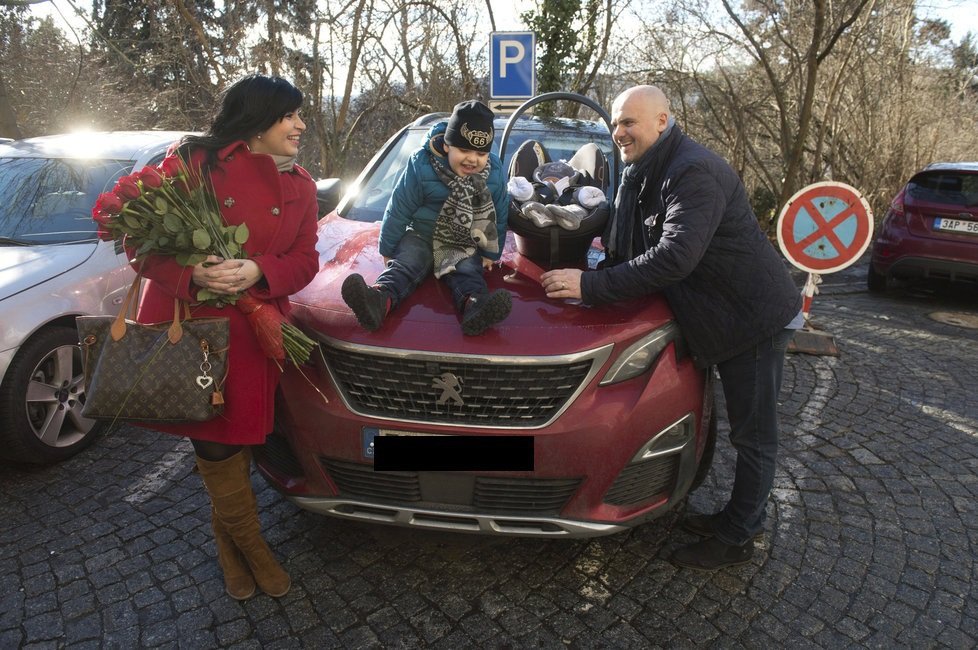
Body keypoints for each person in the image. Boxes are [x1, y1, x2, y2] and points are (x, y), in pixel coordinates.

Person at [540, 85, 803, 571]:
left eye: (630, 123)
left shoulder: (691, 171)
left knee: (754, 435)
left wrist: (591, 286)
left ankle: (738, 537)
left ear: (663, 121)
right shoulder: (643, 169)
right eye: (616, 123)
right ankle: (734, 518)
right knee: (739, 429)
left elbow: (675, 257)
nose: (619, 132)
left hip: (752, 318)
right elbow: (623, 237)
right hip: (720, 314)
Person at [133, 74, 319, 598]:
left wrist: (259, 269)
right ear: (258, 120)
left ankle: (228, 539)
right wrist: (191, 273)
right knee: (214, 442)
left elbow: (306, 261)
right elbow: (137, 241)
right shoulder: (192, 163)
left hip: (255, 332)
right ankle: (249, 547)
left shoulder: (302, 186)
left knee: (239, 440)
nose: (300, 125)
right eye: (290, 115)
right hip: (196, 329)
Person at [341, 99, 511, 336]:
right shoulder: (422, 164)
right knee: (406, 263)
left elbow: (499, 212)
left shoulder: (493, 172)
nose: (473, 159)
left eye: (481, 153)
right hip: (420, 234)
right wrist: (388, 247)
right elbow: (399, 207)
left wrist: (490, 252)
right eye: (464, 150)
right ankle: (378, 300)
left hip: (460, 239)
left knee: (467, 269)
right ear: (447, 145)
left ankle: (475, 306)